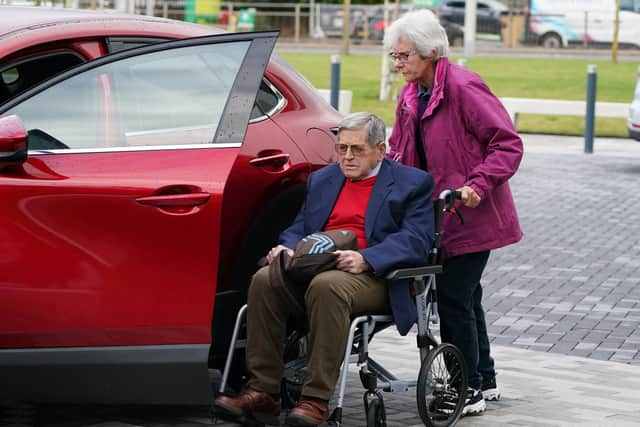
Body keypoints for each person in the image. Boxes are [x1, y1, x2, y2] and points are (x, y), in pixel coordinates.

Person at [214, 112, 435, 426]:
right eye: (342, 148)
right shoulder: (324, 179)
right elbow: (300, 225)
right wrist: (288, 246)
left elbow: (416, 239)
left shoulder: (412, 183)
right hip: (316, 265)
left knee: (328, 285)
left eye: (357, 149)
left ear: (381, 150)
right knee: (264, 279)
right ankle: (263, 391)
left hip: (374, 277)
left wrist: (367, 257)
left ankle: (315, 399)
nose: (346, 156)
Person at [384, 9, 524, 416]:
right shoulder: (410, 93)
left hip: (471, 213)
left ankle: (466, 390)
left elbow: (507, 143)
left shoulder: (464, 86)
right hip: (435, 217)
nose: (398, 64)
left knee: (453, 298)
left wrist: (477, 185)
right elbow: (400, 150)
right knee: (467, 297)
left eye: (404, 56)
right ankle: (485, 377)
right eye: (394, 56)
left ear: (430, 52)